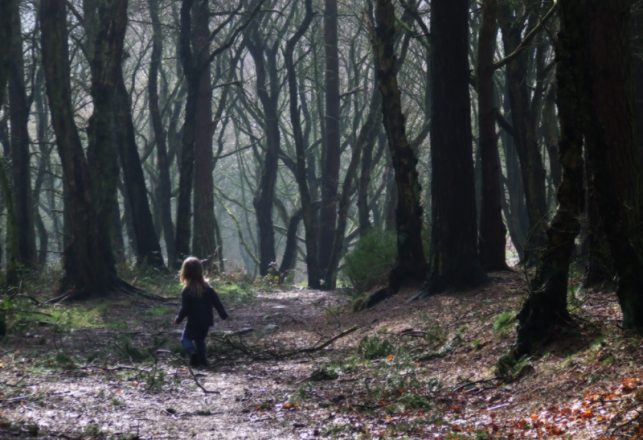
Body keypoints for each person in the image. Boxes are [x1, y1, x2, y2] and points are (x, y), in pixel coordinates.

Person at [174, 256, 228, 367]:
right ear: (200, 271)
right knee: (200, 341)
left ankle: (192, 353)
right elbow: (217, 303)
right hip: (206, 321)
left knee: (185, 339)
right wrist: (224, 315)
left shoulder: (187, 290)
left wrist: (178, 319)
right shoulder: (208, 289)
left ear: (185, 273)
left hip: (193, 322)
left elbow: (185, 308)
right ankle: (203, 361)